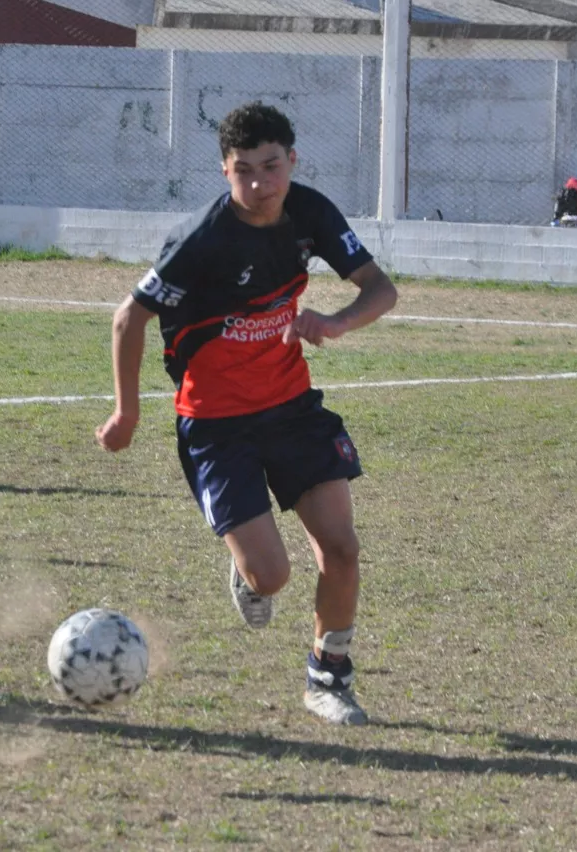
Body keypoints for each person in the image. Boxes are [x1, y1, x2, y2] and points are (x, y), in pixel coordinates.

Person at [95, 101, 398, 726]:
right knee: (271, 576)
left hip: (292, 410)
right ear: (223, 171)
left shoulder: (310, 211)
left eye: (271, 166)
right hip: (216, 427)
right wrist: (127, 413)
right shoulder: (201, 240)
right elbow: (130, 317)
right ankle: (250, 576)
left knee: (341, 550)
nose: (260, 184)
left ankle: (328, 677)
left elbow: (380, 287)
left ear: (292, 160)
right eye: (243, 171)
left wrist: (335, 323)